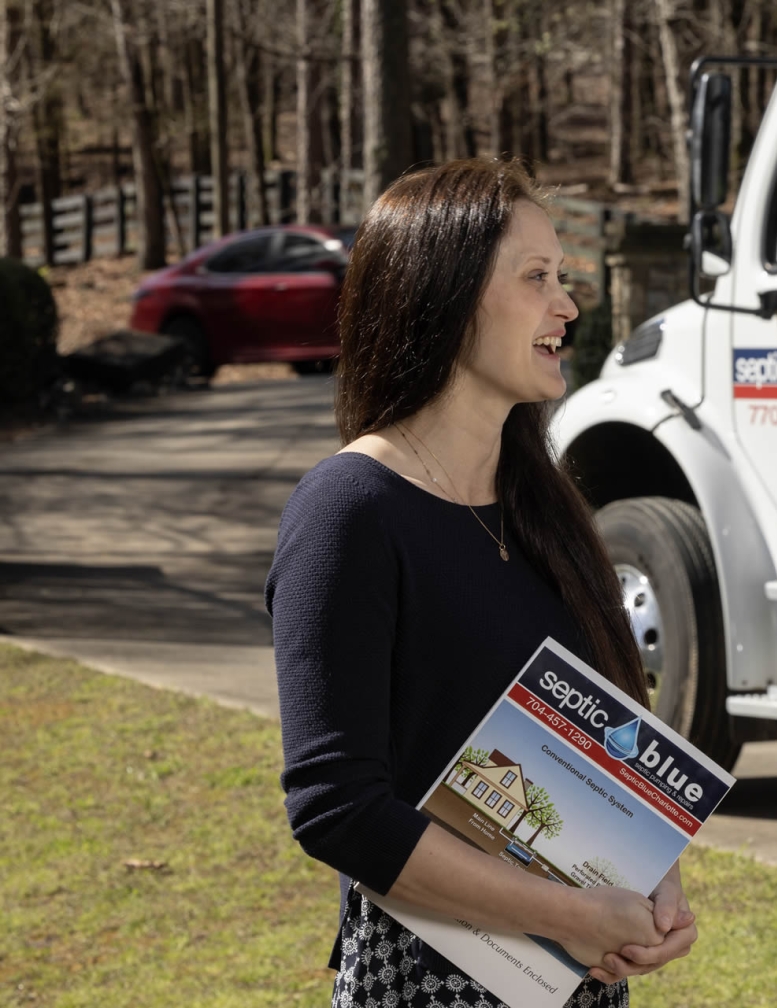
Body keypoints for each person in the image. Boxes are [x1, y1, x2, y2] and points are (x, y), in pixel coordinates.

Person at [266, 156, 697, 1008]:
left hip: (577, 980)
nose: (567, 306)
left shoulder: (546, 507)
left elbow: (604, 733)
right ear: (446, 296)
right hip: (428, 984)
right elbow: (335, 808)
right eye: (537, 277)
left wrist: (657, 876)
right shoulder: (349, 509)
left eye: (564, 278)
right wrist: (566, 912)